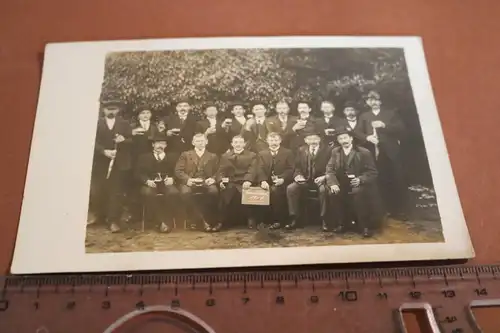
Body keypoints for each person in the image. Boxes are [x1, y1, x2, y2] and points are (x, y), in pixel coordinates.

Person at [357, 90, 408, 221]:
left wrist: (384, 125)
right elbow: (357, 132)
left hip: (391, 152)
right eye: (370, 100)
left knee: (396, 179)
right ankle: (383, 210)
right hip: (373, 153)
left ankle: (400, 210)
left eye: (376, 100)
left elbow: (401, 128)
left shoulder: (390, 113)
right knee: (379, 180)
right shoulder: (364, 116)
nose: (373, 102)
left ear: (381, 101)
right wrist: (367, 137)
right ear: (367, 102)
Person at [326, 127, 382, 237]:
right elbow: (330, 169)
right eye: (341, 139)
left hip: (359, 183)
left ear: (351, 138)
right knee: (333, 193)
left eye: (346, 138)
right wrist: (333, 183)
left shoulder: (363, 152)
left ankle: (364, 226)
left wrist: (360, 179)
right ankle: (342, 223)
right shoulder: (335, 152)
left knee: (358, 193)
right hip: (342, 183)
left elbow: (372, 172)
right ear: (338, 141)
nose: (344, 141)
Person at [89, 98, 132, 233]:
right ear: (103, 110)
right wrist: (103, 151)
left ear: (118, 110)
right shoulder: (97, 123)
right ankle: (99, 217)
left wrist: (123, 140)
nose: (111, 111)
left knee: (115, 192)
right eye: (108, 109)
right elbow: (91, 141)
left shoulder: (124, 124)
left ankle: (113, 220)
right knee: (99, 191)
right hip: (100, 163)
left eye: (113, 109)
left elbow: (132, 140)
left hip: (119, 163)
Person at [285, 130, 332, 231]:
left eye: (315, 138)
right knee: (291, 188)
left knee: (324, 191)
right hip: (305, 180)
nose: (313, 141)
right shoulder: (301, 150)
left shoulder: (328, 150)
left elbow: (332, 168)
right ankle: (294, 218)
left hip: (322, 180)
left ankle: (325, 220)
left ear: (319, 139)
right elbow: (297, 167)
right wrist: (298, 176)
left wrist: (324, 177)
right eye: (310, 139)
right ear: (305, 140)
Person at [175, 133, 220, 231]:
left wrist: (213, 178)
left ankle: (207, 219)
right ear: (193, 142)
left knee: (214, 192)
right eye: (198, 141)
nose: (200, 143)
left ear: (206, 142)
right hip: (190, 182)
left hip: (206, 182)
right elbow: (178, 171)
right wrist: (188, 180)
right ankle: (200, 220)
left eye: (202, 141)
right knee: (185, 193)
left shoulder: (213, 156)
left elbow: (218, 171)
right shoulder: (185, 154)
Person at [135, 132, 179, 233]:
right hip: (150, 184)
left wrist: (173, 178)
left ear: (166, 145)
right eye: (158, 143)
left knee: (174, 193)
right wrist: (147, 181)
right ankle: (160, 222)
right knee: (148, 194)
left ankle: (166, 221)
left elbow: (178, 171)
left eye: (163, 143)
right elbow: (138, 173)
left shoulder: (173, 157)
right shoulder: (143, 157)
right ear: (153, 144)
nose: (160, 145)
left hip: (166, 184)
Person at [217, 135, 260, 230]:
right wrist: (220, 180)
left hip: (244, 181)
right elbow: (221, 171)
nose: (238, 145)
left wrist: (248, 180)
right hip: (231, 181)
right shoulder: (225, 156)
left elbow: (252, 170)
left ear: (244, 144)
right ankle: (221, 221)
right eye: (235, 142)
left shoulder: (252, 155)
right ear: (232, 144)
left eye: (240, 142)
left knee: (248, 195)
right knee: (225, 195)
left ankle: (251, 219)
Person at [258, 132, 294, 229]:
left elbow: (291, 169)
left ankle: (278, 220)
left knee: (275, 191)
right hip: (267, 181)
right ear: (267, 141)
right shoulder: (262, 153)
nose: (274, 143)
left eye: (276, 140)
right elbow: (259, 168)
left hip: (283, 181)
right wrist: (263, 181)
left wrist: (282, 178)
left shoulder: (287, 152)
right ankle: (263, 220)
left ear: (280, 141)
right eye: (271, 140)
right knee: (261, 191)